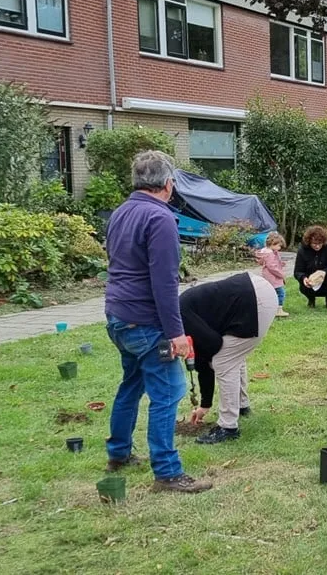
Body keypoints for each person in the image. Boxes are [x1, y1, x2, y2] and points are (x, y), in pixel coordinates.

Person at [103, 150, 211, 493]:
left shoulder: (121, 212)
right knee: (167, 394)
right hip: (146, 323)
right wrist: (177, 334)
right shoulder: (160, 218)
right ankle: (167, 472)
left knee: (131, 385)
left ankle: (118, 453)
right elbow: (164, 282)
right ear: (168, 184)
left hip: (118, 316)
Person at [181, 272, 278, 444]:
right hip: (257, 289)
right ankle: (242, 406)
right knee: (233, 354)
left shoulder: (181, 316)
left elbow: (212, 345)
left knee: (224, 360)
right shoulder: (181, 307)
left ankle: (228, 427)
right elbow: (205, 356)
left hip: (254, 301)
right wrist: (205, 404)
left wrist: (205, 403)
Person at [293, 225, 327, 309]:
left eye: (320, 244)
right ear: (309, 242)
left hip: (326, 280)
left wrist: (324, 272)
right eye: (314, 244)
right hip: (310, 281)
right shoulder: (302, 250)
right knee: (303, 284)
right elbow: (297, 271)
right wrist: (303, 278)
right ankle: (311, 300)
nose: (317, 246)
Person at [255, 232, 289, 317]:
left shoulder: (266, 252)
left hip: (268, 276)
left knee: (270, 293)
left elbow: (270, 263)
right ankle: (278, 309)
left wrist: (280, 263)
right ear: (273, 244)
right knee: (281, 293)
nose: (280, 248)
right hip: (273, 277)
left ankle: (267, 308)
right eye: (279, 246)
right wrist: (281, 274)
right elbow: (272, 266)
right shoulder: (270, 254)